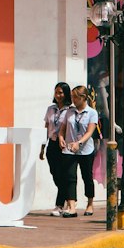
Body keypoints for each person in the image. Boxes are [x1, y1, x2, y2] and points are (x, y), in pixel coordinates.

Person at [58, 84, 98, 217]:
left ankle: (90, 203)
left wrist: (79, 143)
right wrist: (61, 137)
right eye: (72, 97)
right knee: (70, 177)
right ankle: (72, 206)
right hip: (69, 149)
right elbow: (63, 127)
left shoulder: (92, 113)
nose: (73, 100)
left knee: (87, 177)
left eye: (76, 97)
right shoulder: (69, 111)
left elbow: (90, 131)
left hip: (85, 150)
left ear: (83, 98)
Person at [41, 82, 71, 216]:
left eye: (61, 93)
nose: (58, 95)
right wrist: (42, 147)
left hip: (64, 145)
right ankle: (66, 198)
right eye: (56, 92)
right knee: (56, 174)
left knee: (64, 175)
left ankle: (59, 204)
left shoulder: (70, 110)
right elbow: (46, 128)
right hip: (52, 145)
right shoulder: (50, 109)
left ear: (66, 94)